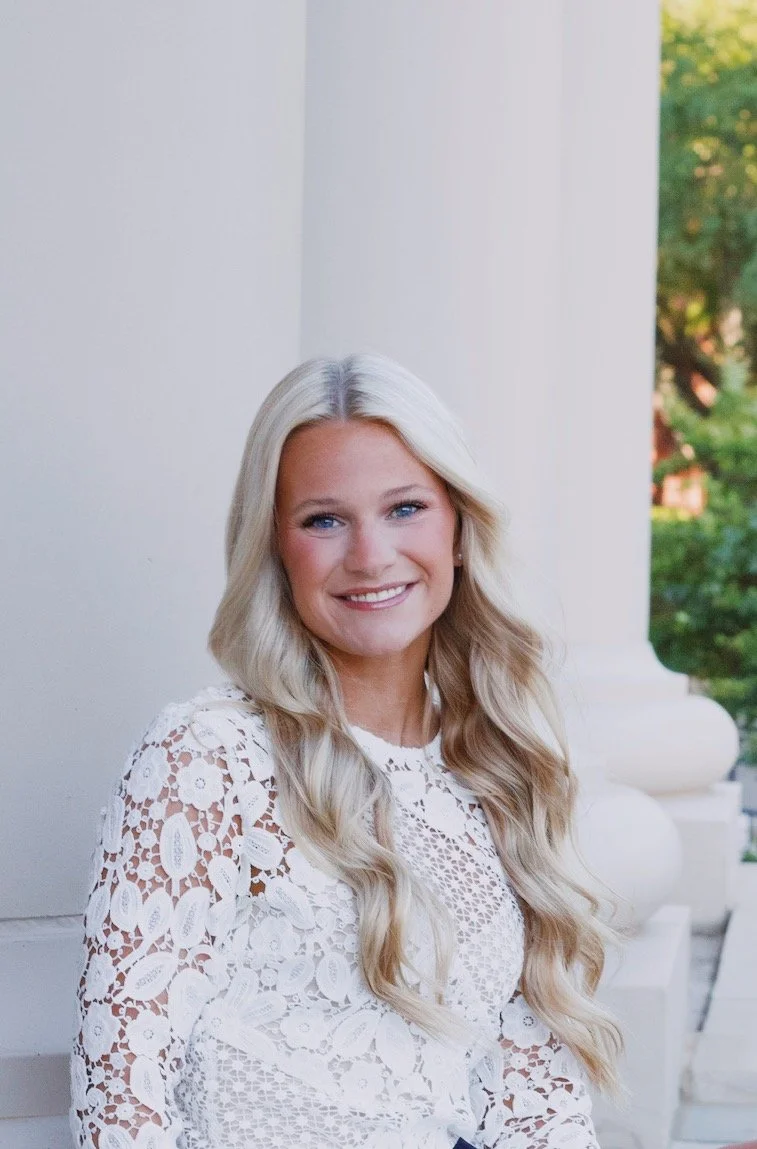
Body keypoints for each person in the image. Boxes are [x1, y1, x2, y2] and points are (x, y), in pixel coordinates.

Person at [71, 353, 623, 1149]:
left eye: (405, 508)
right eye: (323, 520)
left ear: (458, 529)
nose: (369, 555)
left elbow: (538, 1105)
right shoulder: (209, 757)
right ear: (275, 546)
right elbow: (123, 1096)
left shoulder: (497, 769)